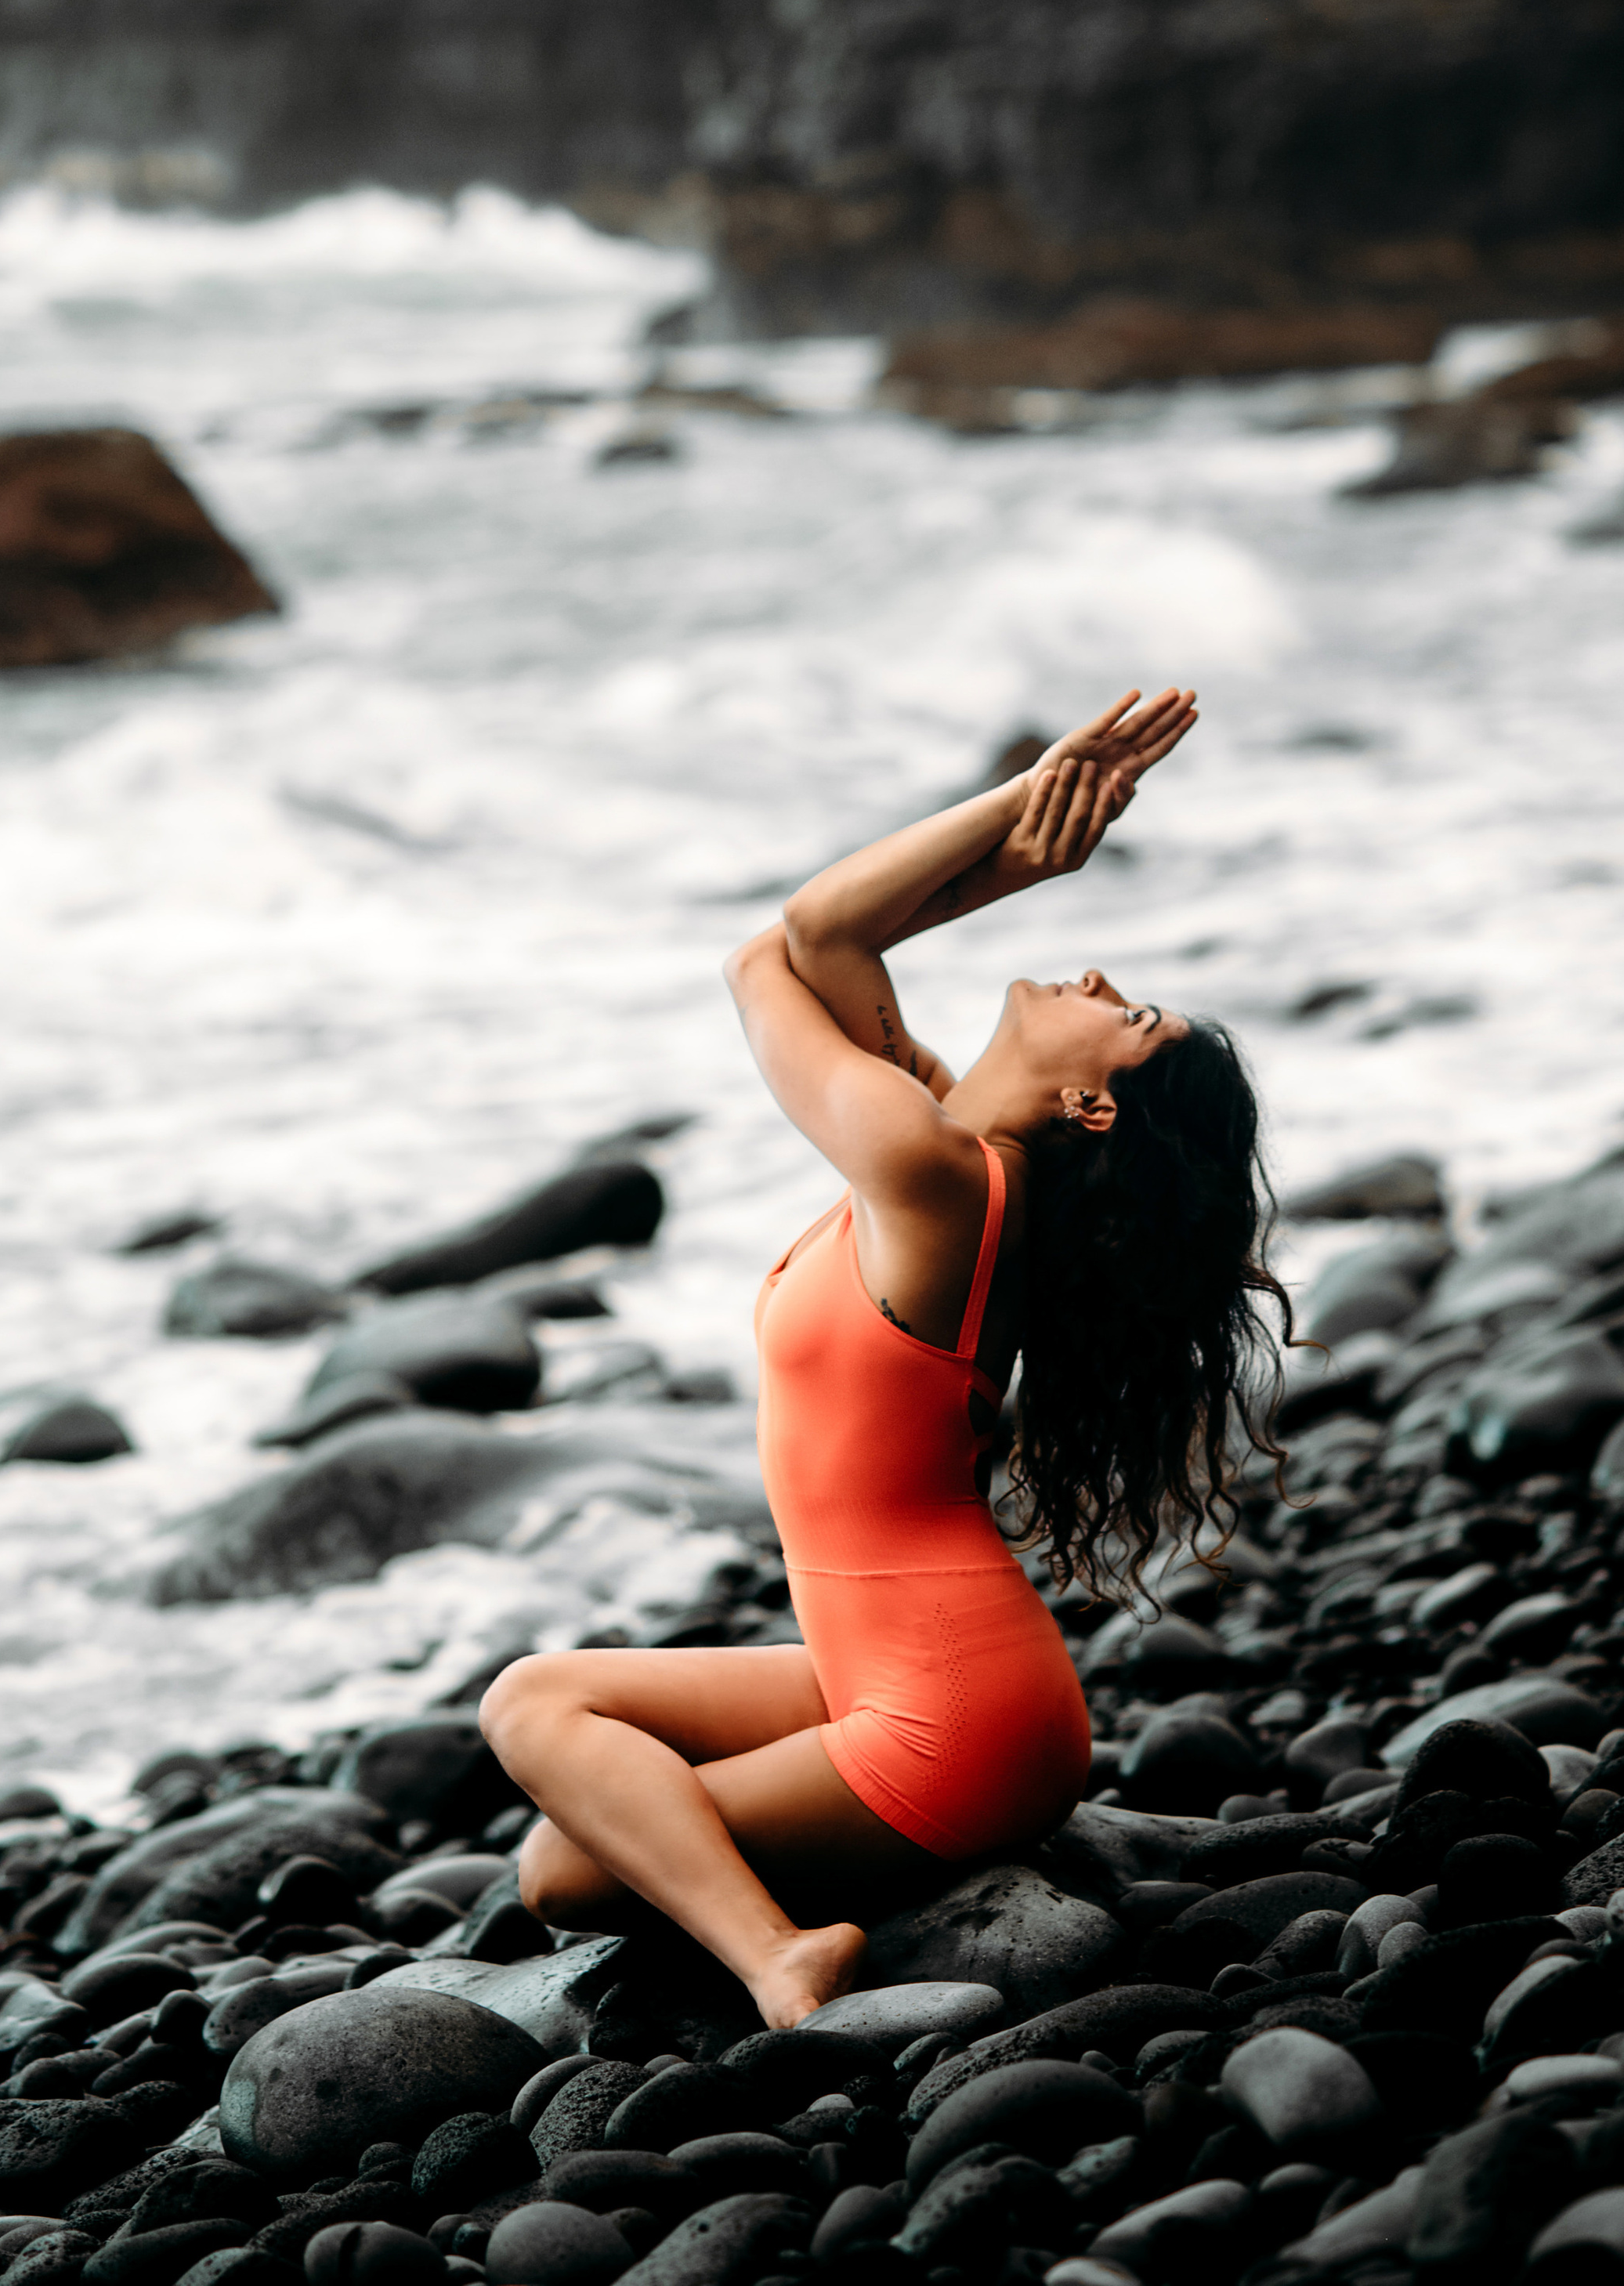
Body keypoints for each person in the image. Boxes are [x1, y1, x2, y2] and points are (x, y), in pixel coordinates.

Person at [480, 685, 1287, 2029]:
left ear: (1093, 1103)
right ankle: (786, 1932)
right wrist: (1024, 855)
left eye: (1130, 1014)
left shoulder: (934, 1178)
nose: (1094, 976)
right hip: (900, 1673)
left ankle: (777, 1962)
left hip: (950, 1715)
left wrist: (1025, 818)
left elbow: (785, 948)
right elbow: (809, 946)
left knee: (565, 1857)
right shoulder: (956, 1159)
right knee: (553, 1705)